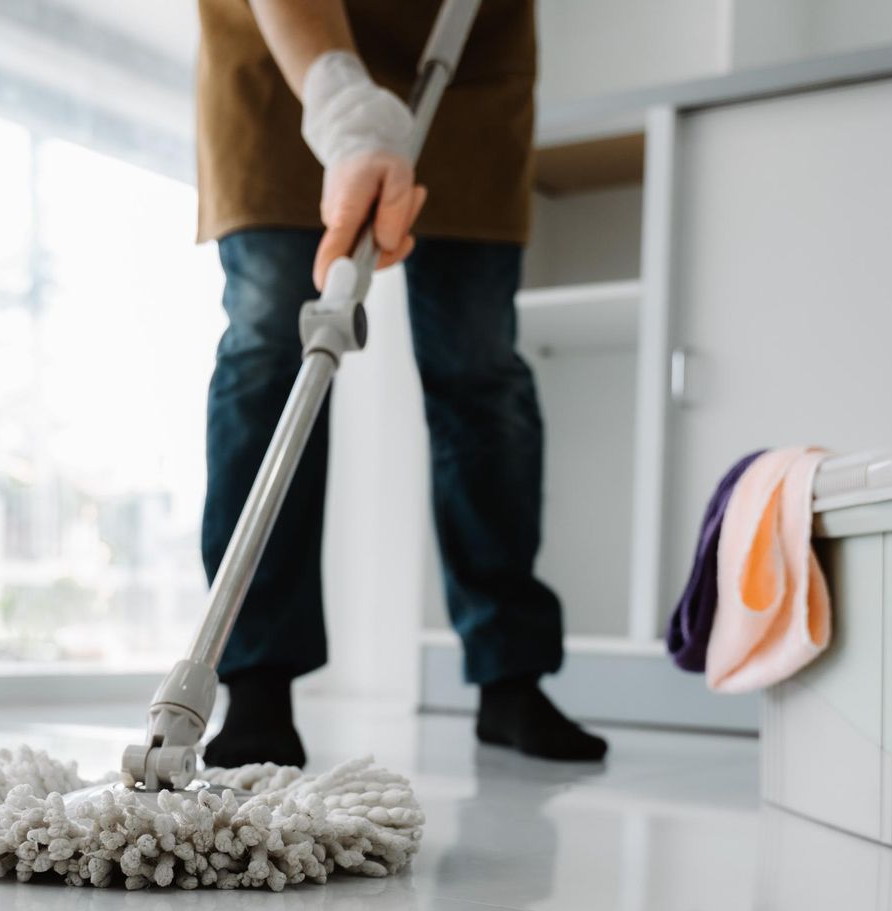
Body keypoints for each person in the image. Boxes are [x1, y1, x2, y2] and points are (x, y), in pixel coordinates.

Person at [195, 0, 607, 768]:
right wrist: (343, 108)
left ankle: (510, 675)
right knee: (267, 351)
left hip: (464, 53)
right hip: (281, 49)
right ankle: (254, 680)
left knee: (479, 366)